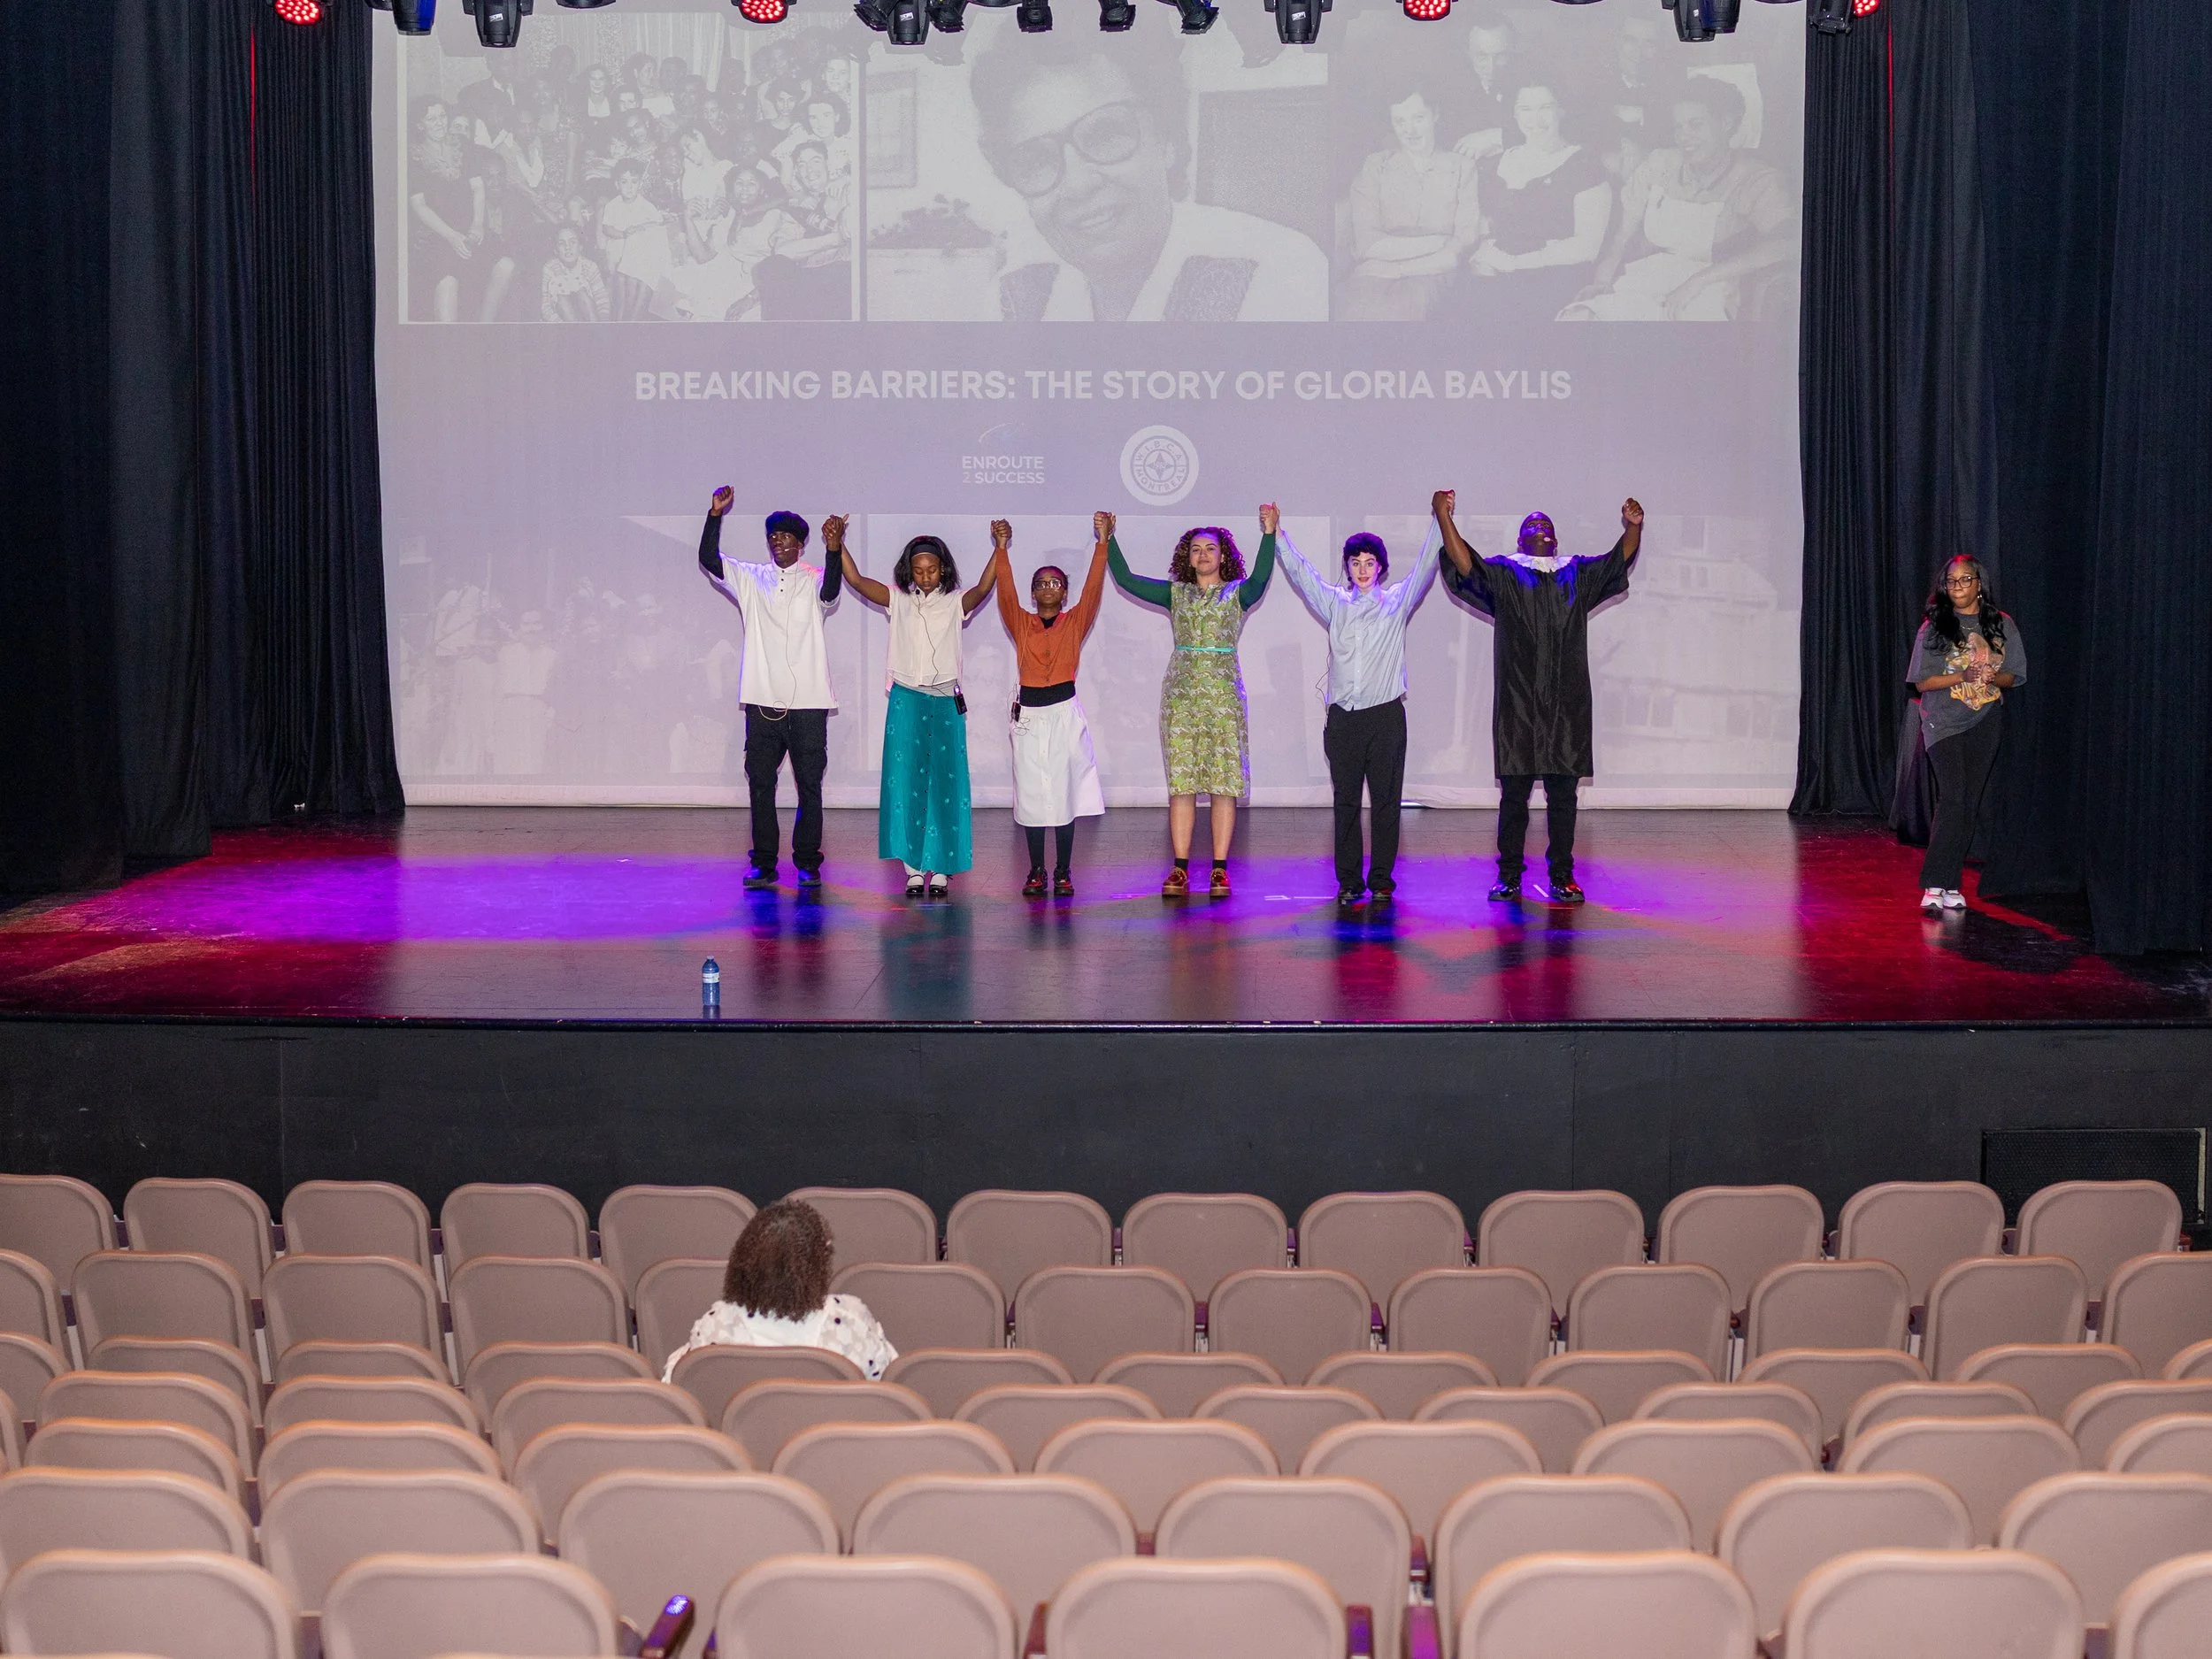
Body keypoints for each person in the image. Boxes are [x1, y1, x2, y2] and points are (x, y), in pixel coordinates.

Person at [969, 33, 1327, 324]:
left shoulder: (1277, 274)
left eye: (1105, 134)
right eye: (1036, 160)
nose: (1077, 186)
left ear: (1166, 138)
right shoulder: (1013, 297)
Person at [1434, 491, 1645, 904]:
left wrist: (1634, 527)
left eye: (1545, 525)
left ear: (1556, 538)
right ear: (1519, 538)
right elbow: (1464, 563)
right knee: (1514, 798)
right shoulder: (1506, 573)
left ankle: (1562, 875)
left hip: (1566, 708)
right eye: (1531, 525)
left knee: (1563, 799)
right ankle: (1509, 875)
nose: (1539, 529)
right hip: (1519, 707)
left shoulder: (1576, 574)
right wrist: (1443, 516)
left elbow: (1616, 560)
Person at [1269, 504, 1444, 910]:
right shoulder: (1335, 604)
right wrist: (1277, 535)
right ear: (1347, 568)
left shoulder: (1397, 600)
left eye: (1370, 563)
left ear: (1381, 567)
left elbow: (1426, 563)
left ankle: (1381, 879)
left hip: (1385, 717)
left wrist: (1440, 518)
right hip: (1344, 720)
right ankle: (1349, 882)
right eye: (1355, 563)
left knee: (1386, 802)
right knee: (1345, 802)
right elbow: (1302, 574)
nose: (1363, 570)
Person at [1108, 517, 1278, 897]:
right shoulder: (1176, 594)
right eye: (1196, 549)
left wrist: (1269, 534)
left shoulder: (1237, 594)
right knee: (1181, 784)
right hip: (1181, 698)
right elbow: (1125, 579)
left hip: (1223, 698)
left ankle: (1219, 869)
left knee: (1223, 783)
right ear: (1187, 556)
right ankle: (1180, 868)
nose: (1203, 555)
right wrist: (1109, 539)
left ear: (1223, 555)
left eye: (1210, 548)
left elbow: (1262, 578)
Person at [697, 488, 845, 891]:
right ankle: (763, 863)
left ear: (800, 544)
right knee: (761, 786)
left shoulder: (814, 579)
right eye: (772, 537)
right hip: (763, 704)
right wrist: (715, 516)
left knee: (809, 787)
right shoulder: (751, 578)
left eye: (785, 537)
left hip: (809, 705)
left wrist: (834, 551)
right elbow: (710, 560)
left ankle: (808, 863)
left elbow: (831, 593)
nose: (777, 543)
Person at [840, 528, 1000, 898]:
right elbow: (857, 581)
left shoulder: (956, 601)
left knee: (946, 783)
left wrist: (1000, 548)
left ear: (942, 569)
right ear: (909, 571)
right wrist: (839, 546)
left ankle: (941, 868)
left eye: (932, 569)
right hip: (907, 699)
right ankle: (913, 868)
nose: (925, 576)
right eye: (918, 570)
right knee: (906, 781)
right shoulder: (898, 601)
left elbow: (983, 588)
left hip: (945, 700)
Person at [1561, 77, 1797, 323]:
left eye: (1695, 125)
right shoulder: (1659, 165)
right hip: (1648, 280)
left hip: (1710, 291)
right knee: (1580, 317)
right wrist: (1601, 281)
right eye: (1678, 127)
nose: (1684, 137)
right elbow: (1622, 236)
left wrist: (1700, 280)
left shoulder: (1756, 179)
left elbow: (1787, 242)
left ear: (1726, 123)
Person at [990, 514, 1112, 897]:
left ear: (1064, 593)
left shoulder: (1074, 623)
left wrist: (1103, 543)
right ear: (1033, 593)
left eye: (1055, 583)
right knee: (1030, 795)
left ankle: (1063, 870)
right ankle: (1036, 870)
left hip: (1063, 713)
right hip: (1028, 716)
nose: (1047, 587)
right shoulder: (1021, 623)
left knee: (1062, 795)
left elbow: (1093, 589)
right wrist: (1001, 549)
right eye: (1040, 583)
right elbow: (1005, 591)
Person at [660, 1197, 897, 1380]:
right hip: (830, 1443)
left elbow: (679, 1383)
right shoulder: (850, 1323)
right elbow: (885, 1385)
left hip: (740, 1444)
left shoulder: (716, 1326)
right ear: (819, 1262)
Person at [1908, 556, 2025, 912]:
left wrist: (1993, 676)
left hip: (1984, 720)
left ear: (1979, 583)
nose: (1957, 588)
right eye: (1951, 582)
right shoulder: (1934, 627)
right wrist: (1963, 676)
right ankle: (1933, 883)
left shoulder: (2001, 624)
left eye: (1965, 580)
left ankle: (1951, 882)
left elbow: (2014, 675)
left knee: (1968, 803)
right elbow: (1921, 681)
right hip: (1942, 722)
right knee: (1954, 798)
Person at [1466, 77, 1612, 323]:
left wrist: (1515, 264)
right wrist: (1480, 254)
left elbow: (1587, 247)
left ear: (1562, 110)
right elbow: (1483, 226)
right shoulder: (1496, 163)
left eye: (1545, 108)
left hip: (1553, 279)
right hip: (1495, 274)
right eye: (1526, 109)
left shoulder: (1584, 166)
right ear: (1514, 114)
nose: (1536, 120)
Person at [1341, 88, 1484, 323]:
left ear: (1435, 115)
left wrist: (1398, 270)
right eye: (1400, 121)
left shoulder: (1462, 167)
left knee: (1399, 316)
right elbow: (1368, 244)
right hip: (1374, 272)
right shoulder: (1376, 165)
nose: (1409, 131)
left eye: (1418, 119)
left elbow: (1459, 249)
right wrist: (1438, 241)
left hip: (1434, 274)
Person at [540, 225, 610, 322]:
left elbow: (602, 299)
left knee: (582, 293)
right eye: (561, 243)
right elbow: (545, 307)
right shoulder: (549, 268)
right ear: (555, 250)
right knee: (561, 295)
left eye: (572, 242)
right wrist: (561, 325)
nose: (567, 247)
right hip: (562, 320)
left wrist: (603, 323)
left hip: (589, 316)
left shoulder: (590, 266)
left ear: (580, 247)